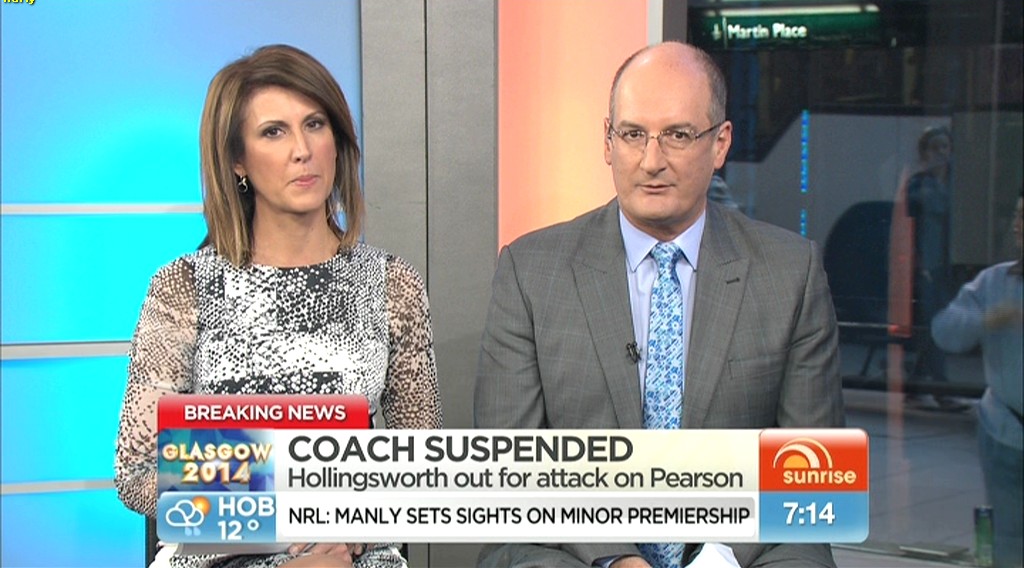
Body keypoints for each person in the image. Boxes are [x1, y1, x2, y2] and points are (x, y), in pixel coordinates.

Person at [475, 41, 843, 568]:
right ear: (607, 141)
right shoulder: (530, 272)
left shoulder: (790, 273)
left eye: (677, 135)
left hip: (743, 548)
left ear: (720, 144)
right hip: (573, 547)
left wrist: (721, 556)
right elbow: (509, 470)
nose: (651, 162)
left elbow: (815, 473)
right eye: (633, 134)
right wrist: (616, 558)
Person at [114, 44, 443, 568]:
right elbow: (137, 472)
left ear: (337, 139)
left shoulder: (392, 285)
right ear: (237, 160)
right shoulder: (182, 287)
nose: (302, 150)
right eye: (274, 132)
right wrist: (294, 524)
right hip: (220, 554)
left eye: (315, 124)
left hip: (351, 551)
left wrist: (345, 531)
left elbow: (422, 467)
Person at [932, 191, 1023, 568]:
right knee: (1008, 536)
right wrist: (988, 320)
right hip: (1004, 430)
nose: (1017, 225)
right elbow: (944, 331)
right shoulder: (993, 282)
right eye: (1017, 215)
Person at [903, 125, 969, 411]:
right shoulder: (919, 185)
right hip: (926, 268)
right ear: (925, 153)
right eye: (935, 148)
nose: (942, 153)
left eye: (946, 147)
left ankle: (914, 385)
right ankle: (942, 390)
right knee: (935, 327)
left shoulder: (957, 184)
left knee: (935, 327)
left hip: (950, 265)